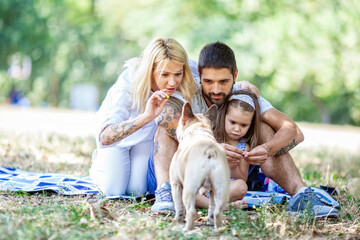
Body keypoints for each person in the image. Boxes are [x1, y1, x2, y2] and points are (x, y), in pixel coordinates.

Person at [148, 41, 339, 218]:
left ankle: (301, 195)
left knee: (264, 128)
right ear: (199, 75)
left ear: (235, 76)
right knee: (164, 129)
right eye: (208, 81)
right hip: (181, 173)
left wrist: (267, 149)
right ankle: (166, 194)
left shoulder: (242, 96)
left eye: (223, 81)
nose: (215, 89)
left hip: (225, 181)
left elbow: (293, 131)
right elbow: (165, 120)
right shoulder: (187, 92)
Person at [89, 37, 196, 197]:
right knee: (114, 190)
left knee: (136, 192)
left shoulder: (185, 68)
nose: (172, 82)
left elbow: (218, 75)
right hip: (116, 141)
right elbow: (105, 137)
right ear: (150, 71)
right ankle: (99, 165)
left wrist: (244, 86)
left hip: (145, 140)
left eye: (177, 74)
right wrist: (146, 117)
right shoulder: (128, 84)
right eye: (164, 74)